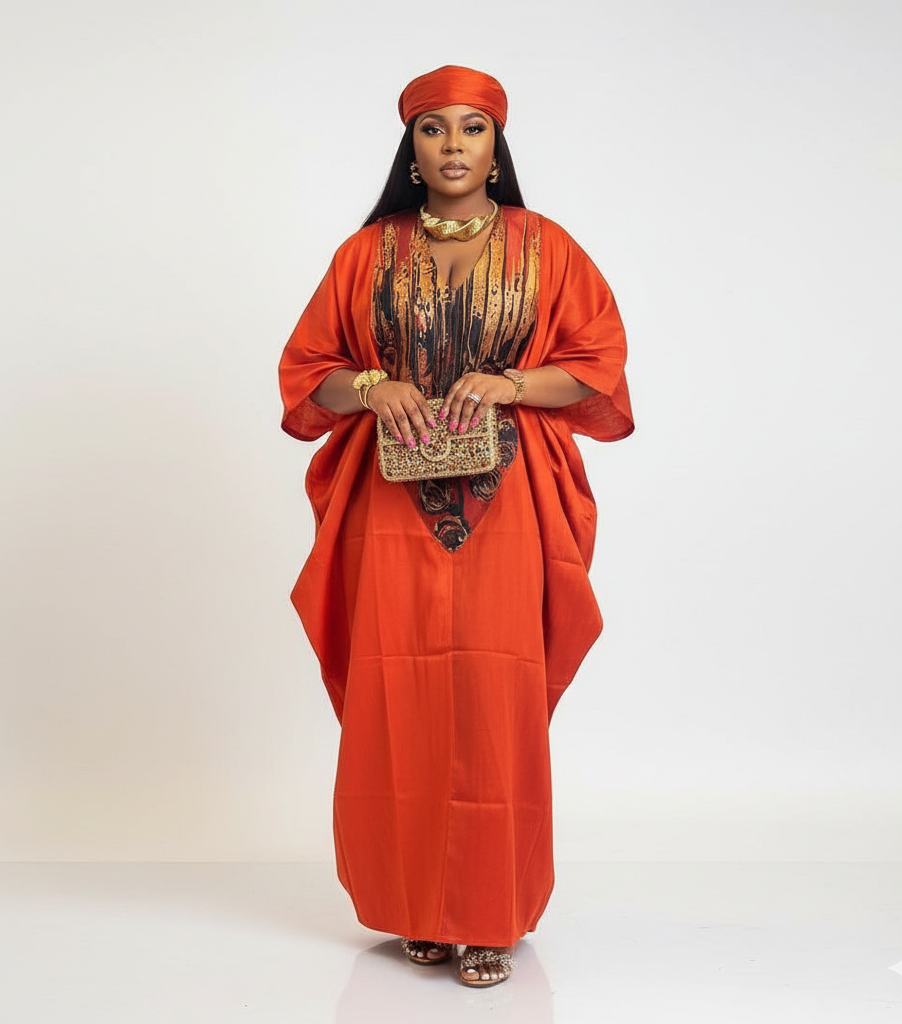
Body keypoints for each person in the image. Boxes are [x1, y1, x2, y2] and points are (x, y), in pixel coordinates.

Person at [277, 64, 634, 987]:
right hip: (387, 505)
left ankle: (487, 914)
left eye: (471, 129)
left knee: (495, 694)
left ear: (496, 145)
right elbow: (308, 368)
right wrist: (372, 384)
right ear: (410, 148)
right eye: (431, 129)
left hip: (510, 501)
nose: (451, 147)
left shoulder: (548, 248)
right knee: (395, 692)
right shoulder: (366, 255)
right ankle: (411, 907)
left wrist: (511, 384)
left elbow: (595, 366)